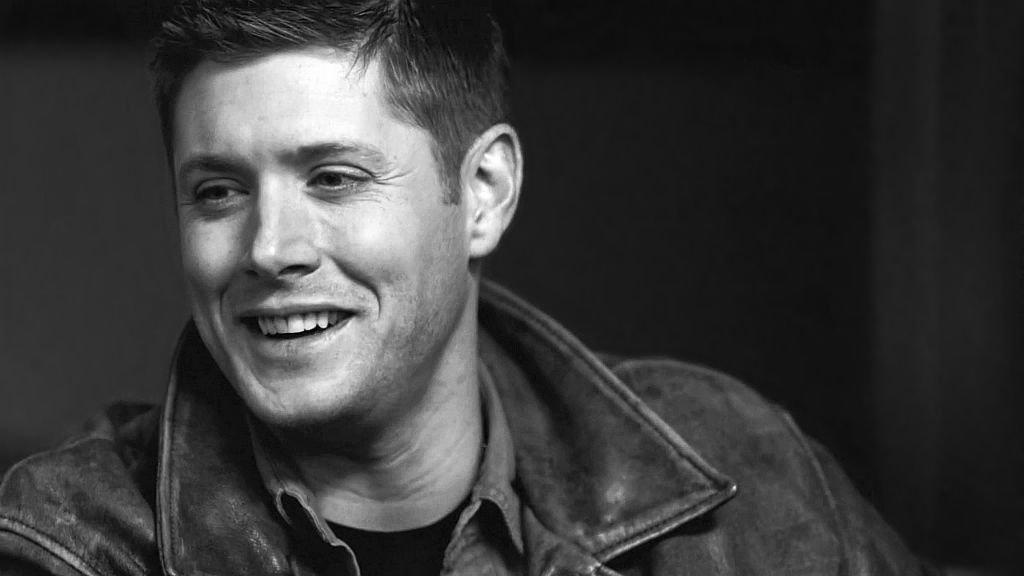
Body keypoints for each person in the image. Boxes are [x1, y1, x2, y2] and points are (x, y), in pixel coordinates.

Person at [0, 1, 932, 574]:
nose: (269, 249)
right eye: (217, 192)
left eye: (334, 178)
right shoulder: (75, 544)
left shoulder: (747, 477)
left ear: (483, 193)